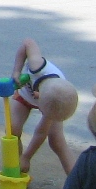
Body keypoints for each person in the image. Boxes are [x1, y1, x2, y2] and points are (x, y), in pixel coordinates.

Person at [11, 37, 80, 176]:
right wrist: (16, 72)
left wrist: (28, 156)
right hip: (24, 95)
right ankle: (15, 166)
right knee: (13, 129)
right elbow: (27, 42)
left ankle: (78, 185)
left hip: (54, 101)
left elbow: (40, 133)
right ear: (37, 96)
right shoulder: (37, 66)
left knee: (56, 141)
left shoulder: (59, 97)